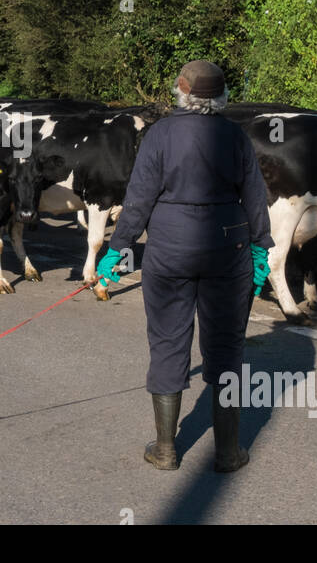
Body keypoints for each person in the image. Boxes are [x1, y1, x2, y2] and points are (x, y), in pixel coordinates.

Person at [96, 60, 273, 472]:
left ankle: (165, 450)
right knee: (227, 348)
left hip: (169, 250)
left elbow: (138, 200)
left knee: (168, 343)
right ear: (222, 95)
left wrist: (116, 251)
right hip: (227, 251)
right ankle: (228, 453)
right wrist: (261, 247)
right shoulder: (235, 136)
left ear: (182, 90)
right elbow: (255, 198)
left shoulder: (159, 135)